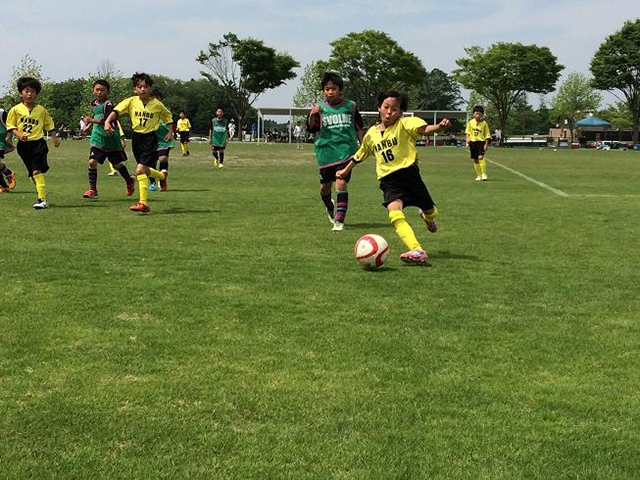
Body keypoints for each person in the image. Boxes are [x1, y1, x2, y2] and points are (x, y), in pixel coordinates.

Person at [336, 90, 451, 265]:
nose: (389, 112)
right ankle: (417, 249)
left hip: (410, 176)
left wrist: (439, 127)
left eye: (395, 109)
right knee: (395, 213)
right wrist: (345, 170)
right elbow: (361, 154)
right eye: (386, 107)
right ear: (379, 108)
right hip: (388, 180)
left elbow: (424, 129)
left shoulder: (404, 124)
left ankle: (427, 217)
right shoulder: (372, 135)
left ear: (401, 112)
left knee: (432, 212)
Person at [103, 72, 173, 213]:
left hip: (150, 138)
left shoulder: (157, 104)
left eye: (146, 87)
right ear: (135, 89)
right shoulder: (131, 101)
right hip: (136, 138)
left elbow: (168, 117)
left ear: (150, 89)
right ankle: (161, 176)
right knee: (144, 170)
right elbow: (116, 111)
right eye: (139, 87)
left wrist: (170, 131)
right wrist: (107, 121)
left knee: (140, 170)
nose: (143, 89)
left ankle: (143, 203)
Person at [306, 71, 364, 232]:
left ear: (340, 90)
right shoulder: (319, 108)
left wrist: (363, 146)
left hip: (346, 153)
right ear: (324, 91)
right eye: (327, 89)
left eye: (334, 88)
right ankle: (329, 206)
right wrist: (312, 115)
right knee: (324, 188)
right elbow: (311, 128)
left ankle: (339, 220)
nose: (330, 91)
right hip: (326, 154)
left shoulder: (350, 107)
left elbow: (359, 128)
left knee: (341, 182)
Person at [6, 77, 60, 209]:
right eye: (26, 91)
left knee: (36, 171)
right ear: (21, 93)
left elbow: (49, 124)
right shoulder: (15, 110)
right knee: (32, 174)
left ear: (37, 94)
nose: (29, 94)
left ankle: (42, 200)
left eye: (33, 91)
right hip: (23, 146)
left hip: (38, 144)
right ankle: (39, 188)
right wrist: (19, 134)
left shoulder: (41, 110)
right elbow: (10, 125)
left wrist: (54, 137)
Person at [81, 79, 135, 200]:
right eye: (97, 90)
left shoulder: (109, 105)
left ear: (108, 92)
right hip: (97, 138)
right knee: (91, 162)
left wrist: (91, 121)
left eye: (103, 90)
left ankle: (129, 180)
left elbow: (107, 120)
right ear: (93, 90)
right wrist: (89, 126)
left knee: (116, 165)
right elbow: (96, 117)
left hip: (111, 138)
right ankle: (93, 190)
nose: (99, 92)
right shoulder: (93, 103)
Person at [149, 89, 173, 192]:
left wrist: (170, 132)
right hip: (150, 140)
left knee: (163, 158)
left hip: (163, 140)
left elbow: (170, 122)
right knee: (151, 162)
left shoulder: (165, 111)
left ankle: (163, 180)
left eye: (158, 99)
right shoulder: (147, 111)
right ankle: (152, 183)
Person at [465, 105, 491, 181]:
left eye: (479, 114)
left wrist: (486, 144)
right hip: (473, 142)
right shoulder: (470, 122)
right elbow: (467, 132)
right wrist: (467, 138)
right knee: (475, 159)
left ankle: (484, 174)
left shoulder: (484, 124)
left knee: (480, 157)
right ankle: (478, 175)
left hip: (481, 142)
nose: (478, 115)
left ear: (482, 115)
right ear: (473, 114)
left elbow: (487, 135)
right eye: (476, 113)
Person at [0, 107, 17, 193]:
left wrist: (8, 137)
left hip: (2, 141)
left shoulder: (2, 113)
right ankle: (7, 174)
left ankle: (4, 184)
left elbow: (11, 125)